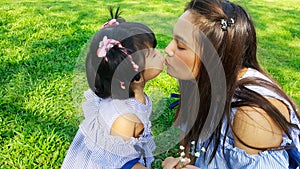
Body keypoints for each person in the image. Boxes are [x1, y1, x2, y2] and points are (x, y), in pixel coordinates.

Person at [162, 0, 300, 168]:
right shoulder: (201, 82)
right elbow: (191, 145)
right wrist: (183, 162)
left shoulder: (252, 115)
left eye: (181, 46)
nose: (168, 49)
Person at [61, 7, 164, 169]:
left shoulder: (133, 96)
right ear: (134, 76)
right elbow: (119, 163)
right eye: (151, 54)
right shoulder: (124, 118)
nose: (159, 53)